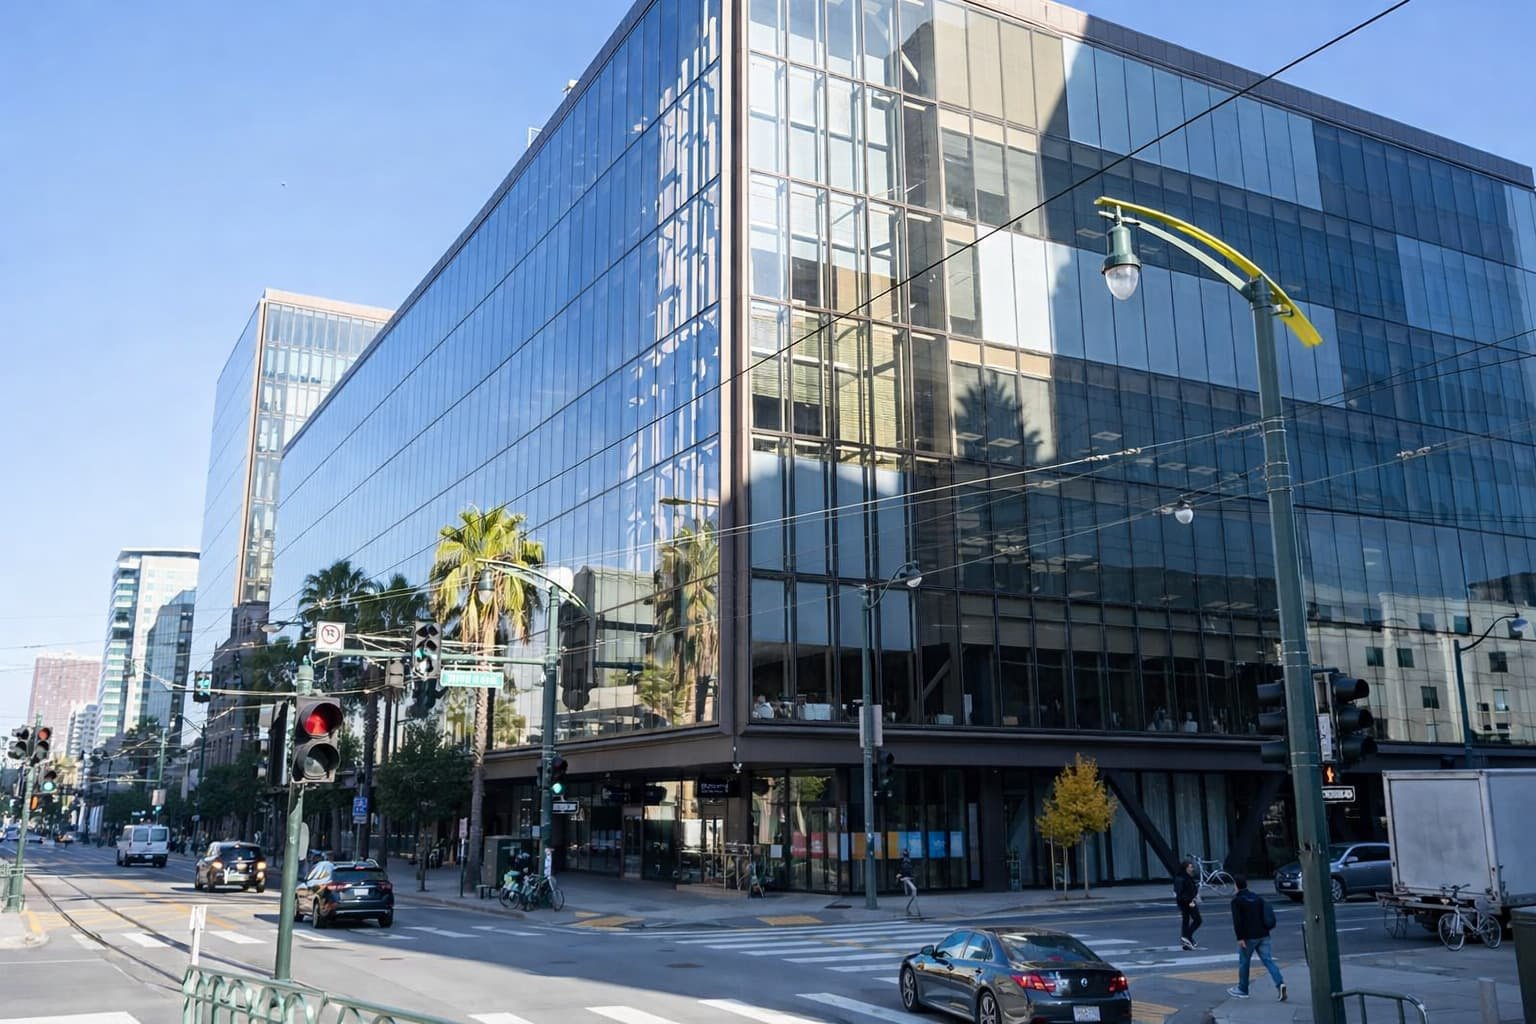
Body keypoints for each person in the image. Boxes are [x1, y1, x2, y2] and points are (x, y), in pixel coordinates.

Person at [1227, 875, 1286, 1002]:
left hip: (1248, 937)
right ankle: (1280, 983)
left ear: (1236, 885)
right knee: (1268, 961)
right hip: (1264, 934)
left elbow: (1237, 922)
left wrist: (1240, 938)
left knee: (1244, 962)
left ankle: (1243, 989)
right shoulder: (1257, 898)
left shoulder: (1237, 901)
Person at [1174, 859, 1203, 950]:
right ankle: (1186, 936)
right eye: (1191, 867)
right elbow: (1180, 893)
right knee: (1197, 920)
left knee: (1186, 920)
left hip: (1188, 901)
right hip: (1187, 902)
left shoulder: (1187, 877)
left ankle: (1186, 941)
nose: (1192, 868)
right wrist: (1190, 901)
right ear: (1186, 868)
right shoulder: (1182, 878)